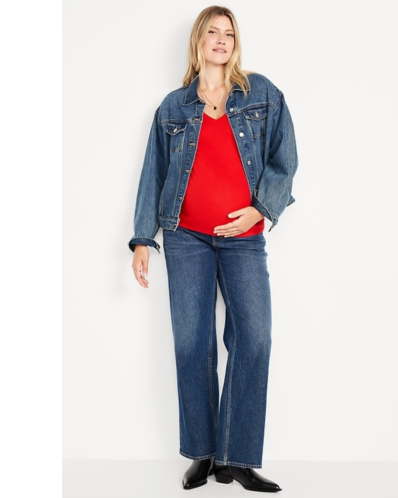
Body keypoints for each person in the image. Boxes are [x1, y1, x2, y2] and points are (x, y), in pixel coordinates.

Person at [128, 5, 298, 493]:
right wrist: (142, 239)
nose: (221, 40)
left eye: (229, 33)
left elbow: (285, 158)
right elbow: (154, 173)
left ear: (235, 43)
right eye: (213, 32)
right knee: (192, 343)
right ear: (199, 41)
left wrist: (260, 209)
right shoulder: (173, 107)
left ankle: (236, 458)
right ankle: (203, 454)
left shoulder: (261, 94)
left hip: (243, 240)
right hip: (186, 238)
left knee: (255, 339)